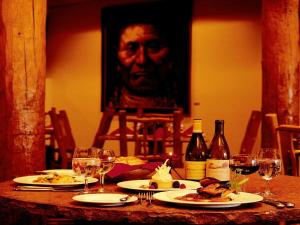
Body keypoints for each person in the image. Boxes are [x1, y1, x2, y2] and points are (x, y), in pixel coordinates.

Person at [110, 22, 178, 110]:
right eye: (131, 48)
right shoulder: (112, 104)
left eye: (153, 47)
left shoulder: (177, 104)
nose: (142, 60)